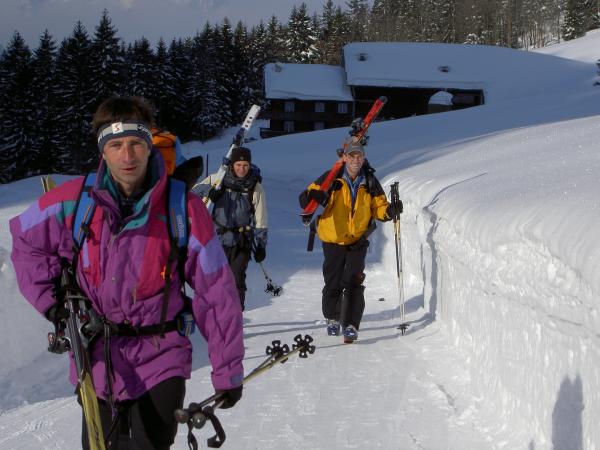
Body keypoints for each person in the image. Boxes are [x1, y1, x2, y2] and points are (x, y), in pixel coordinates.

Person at [10, 96, 244, 449]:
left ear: (149, 146)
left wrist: (227, 370)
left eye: (135, 143)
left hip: (161, 355)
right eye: (115, 145)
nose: (127, 155)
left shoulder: (182, 208)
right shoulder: (75, 201)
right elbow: (26, 241)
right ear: (103, 152)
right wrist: (55, 305)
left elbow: (217, 292)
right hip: (95, 356)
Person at [298, 137, 402, 343]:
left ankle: (351, 324)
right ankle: (332, 317)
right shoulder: (332, 178)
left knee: (354, 282)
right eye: (352, 156)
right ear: (344, 157)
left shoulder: (370, 181)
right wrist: (315, 196)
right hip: (333, 238)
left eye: (359, 156)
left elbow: (379, 207)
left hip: (357, 240)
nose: (356, 160)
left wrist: (390, 211)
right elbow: (305, 198)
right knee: (333, 281)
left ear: (363, 157)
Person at [193, 146, 268, 311]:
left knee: (236, 279)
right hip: (216, 239)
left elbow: (261, 218)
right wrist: (210, 191)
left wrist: (261, 245)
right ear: (232, 165)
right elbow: (192, 192)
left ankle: (235, 315)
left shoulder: (255, 187)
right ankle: (217, 314)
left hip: (241, 241)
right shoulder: (218, 179)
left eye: (245, 165)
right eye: (238, 165)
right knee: (215, 279)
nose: (242, 169)